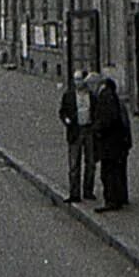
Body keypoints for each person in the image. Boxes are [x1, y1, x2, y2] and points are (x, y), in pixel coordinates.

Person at [90, 74, 133, 212]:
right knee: (118, 170)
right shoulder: (112, 95)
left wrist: (96, 128)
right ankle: (120, 197)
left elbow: (109, 119)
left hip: (110, 142)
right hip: (119, 141)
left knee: (108, 172)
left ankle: (112, 200)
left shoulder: (105, 97)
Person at [58, 73, 97, 203]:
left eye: (79, 79)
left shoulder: (91, 96)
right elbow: (62, 112)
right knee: (74, 164)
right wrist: (67, 121)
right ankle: (74, 193)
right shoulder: (68, 96)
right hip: (75, 131)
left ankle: (88, 191)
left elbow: (96, 111)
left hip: (88, 130)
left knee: (90, 163)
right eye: (75, 79)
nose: (77, 82)